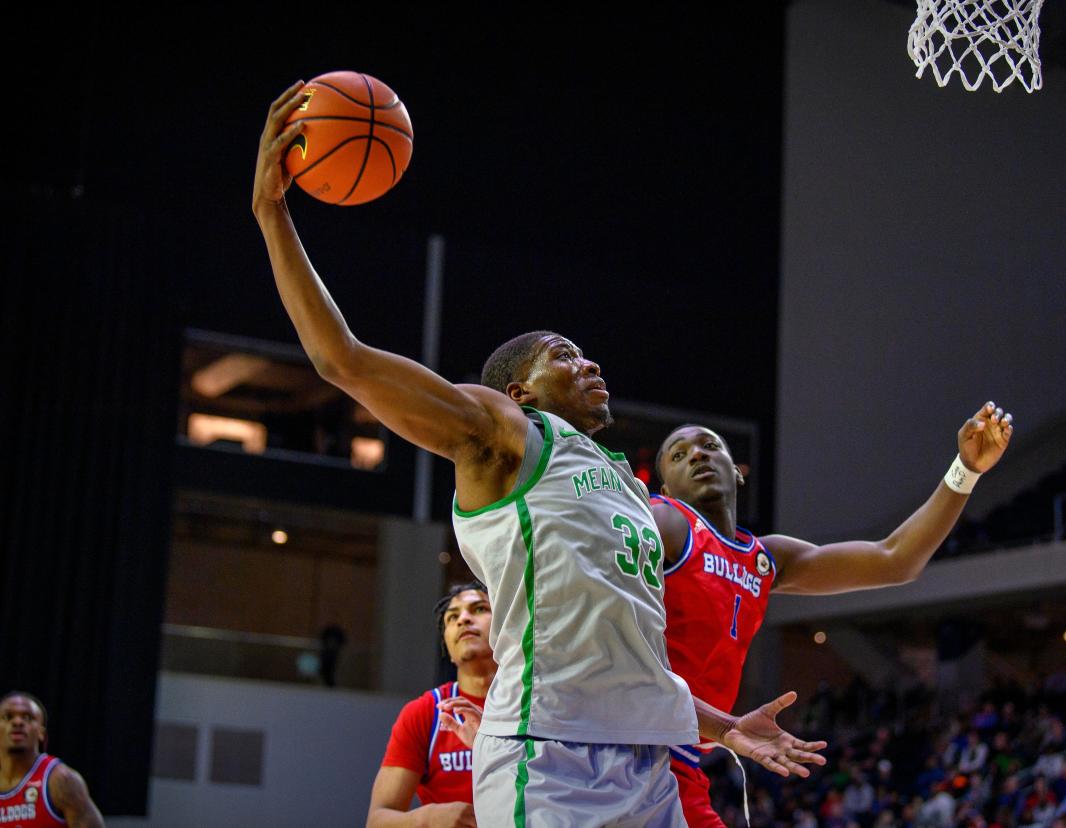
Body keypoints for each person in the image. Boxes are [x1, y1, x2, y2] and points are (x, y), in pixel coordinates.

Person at [253, 82, 824, 826]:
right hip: (547, 758)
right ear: (520, 392)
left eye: (587, 354)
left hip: (649, 761)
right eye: (565, 355)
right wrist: (272, 215)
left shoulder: (628, 487)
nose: (589, 364)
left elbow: (625, 655)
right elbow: (343, 360)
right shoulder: (505, 433)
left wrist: (727, 731)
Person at [649, 402, 1013, 827]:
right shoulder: (664, 521)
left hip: (685, 757)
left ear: (737, 470)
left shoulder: (765, 558)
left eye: (710, 446)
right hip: (634, 743)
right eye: (679, 454)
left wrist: (965, 471)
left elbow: (895, 560)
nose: (696, 455)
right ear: (667, 489)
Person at [366, 583, 497, 828]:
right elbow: (377, 820)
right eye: (452, 617)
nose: (463, 619)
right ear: (448, 648)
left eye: (479, 609)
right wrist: (426, 818)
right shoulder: (427, 711)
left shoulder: (539, 703)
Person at [0, 692, 104, 827]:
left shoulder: (62, 780)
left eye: (27, 717)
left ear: (41, 733)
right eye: (8, 717)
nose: (17, 722)